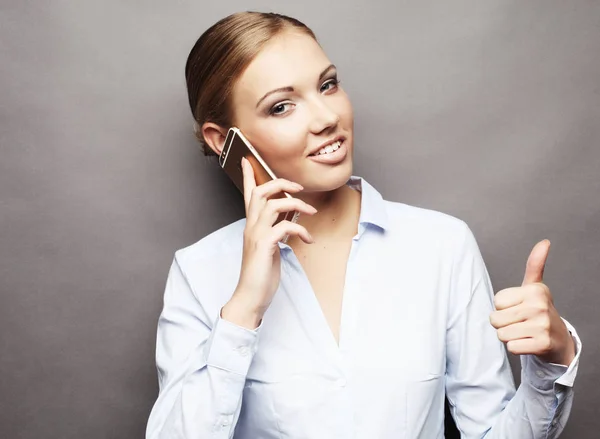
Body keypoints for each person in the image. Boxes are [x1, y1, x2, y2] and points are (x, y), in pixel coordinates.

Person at [145, 11, 582, 439]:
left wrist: (553, 362)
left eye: (328, 85)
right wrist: (243, 311)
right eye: (281, 106)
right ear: (224, 141)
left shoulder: (441, 247)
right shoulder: (199, 271)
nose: (326, 118)